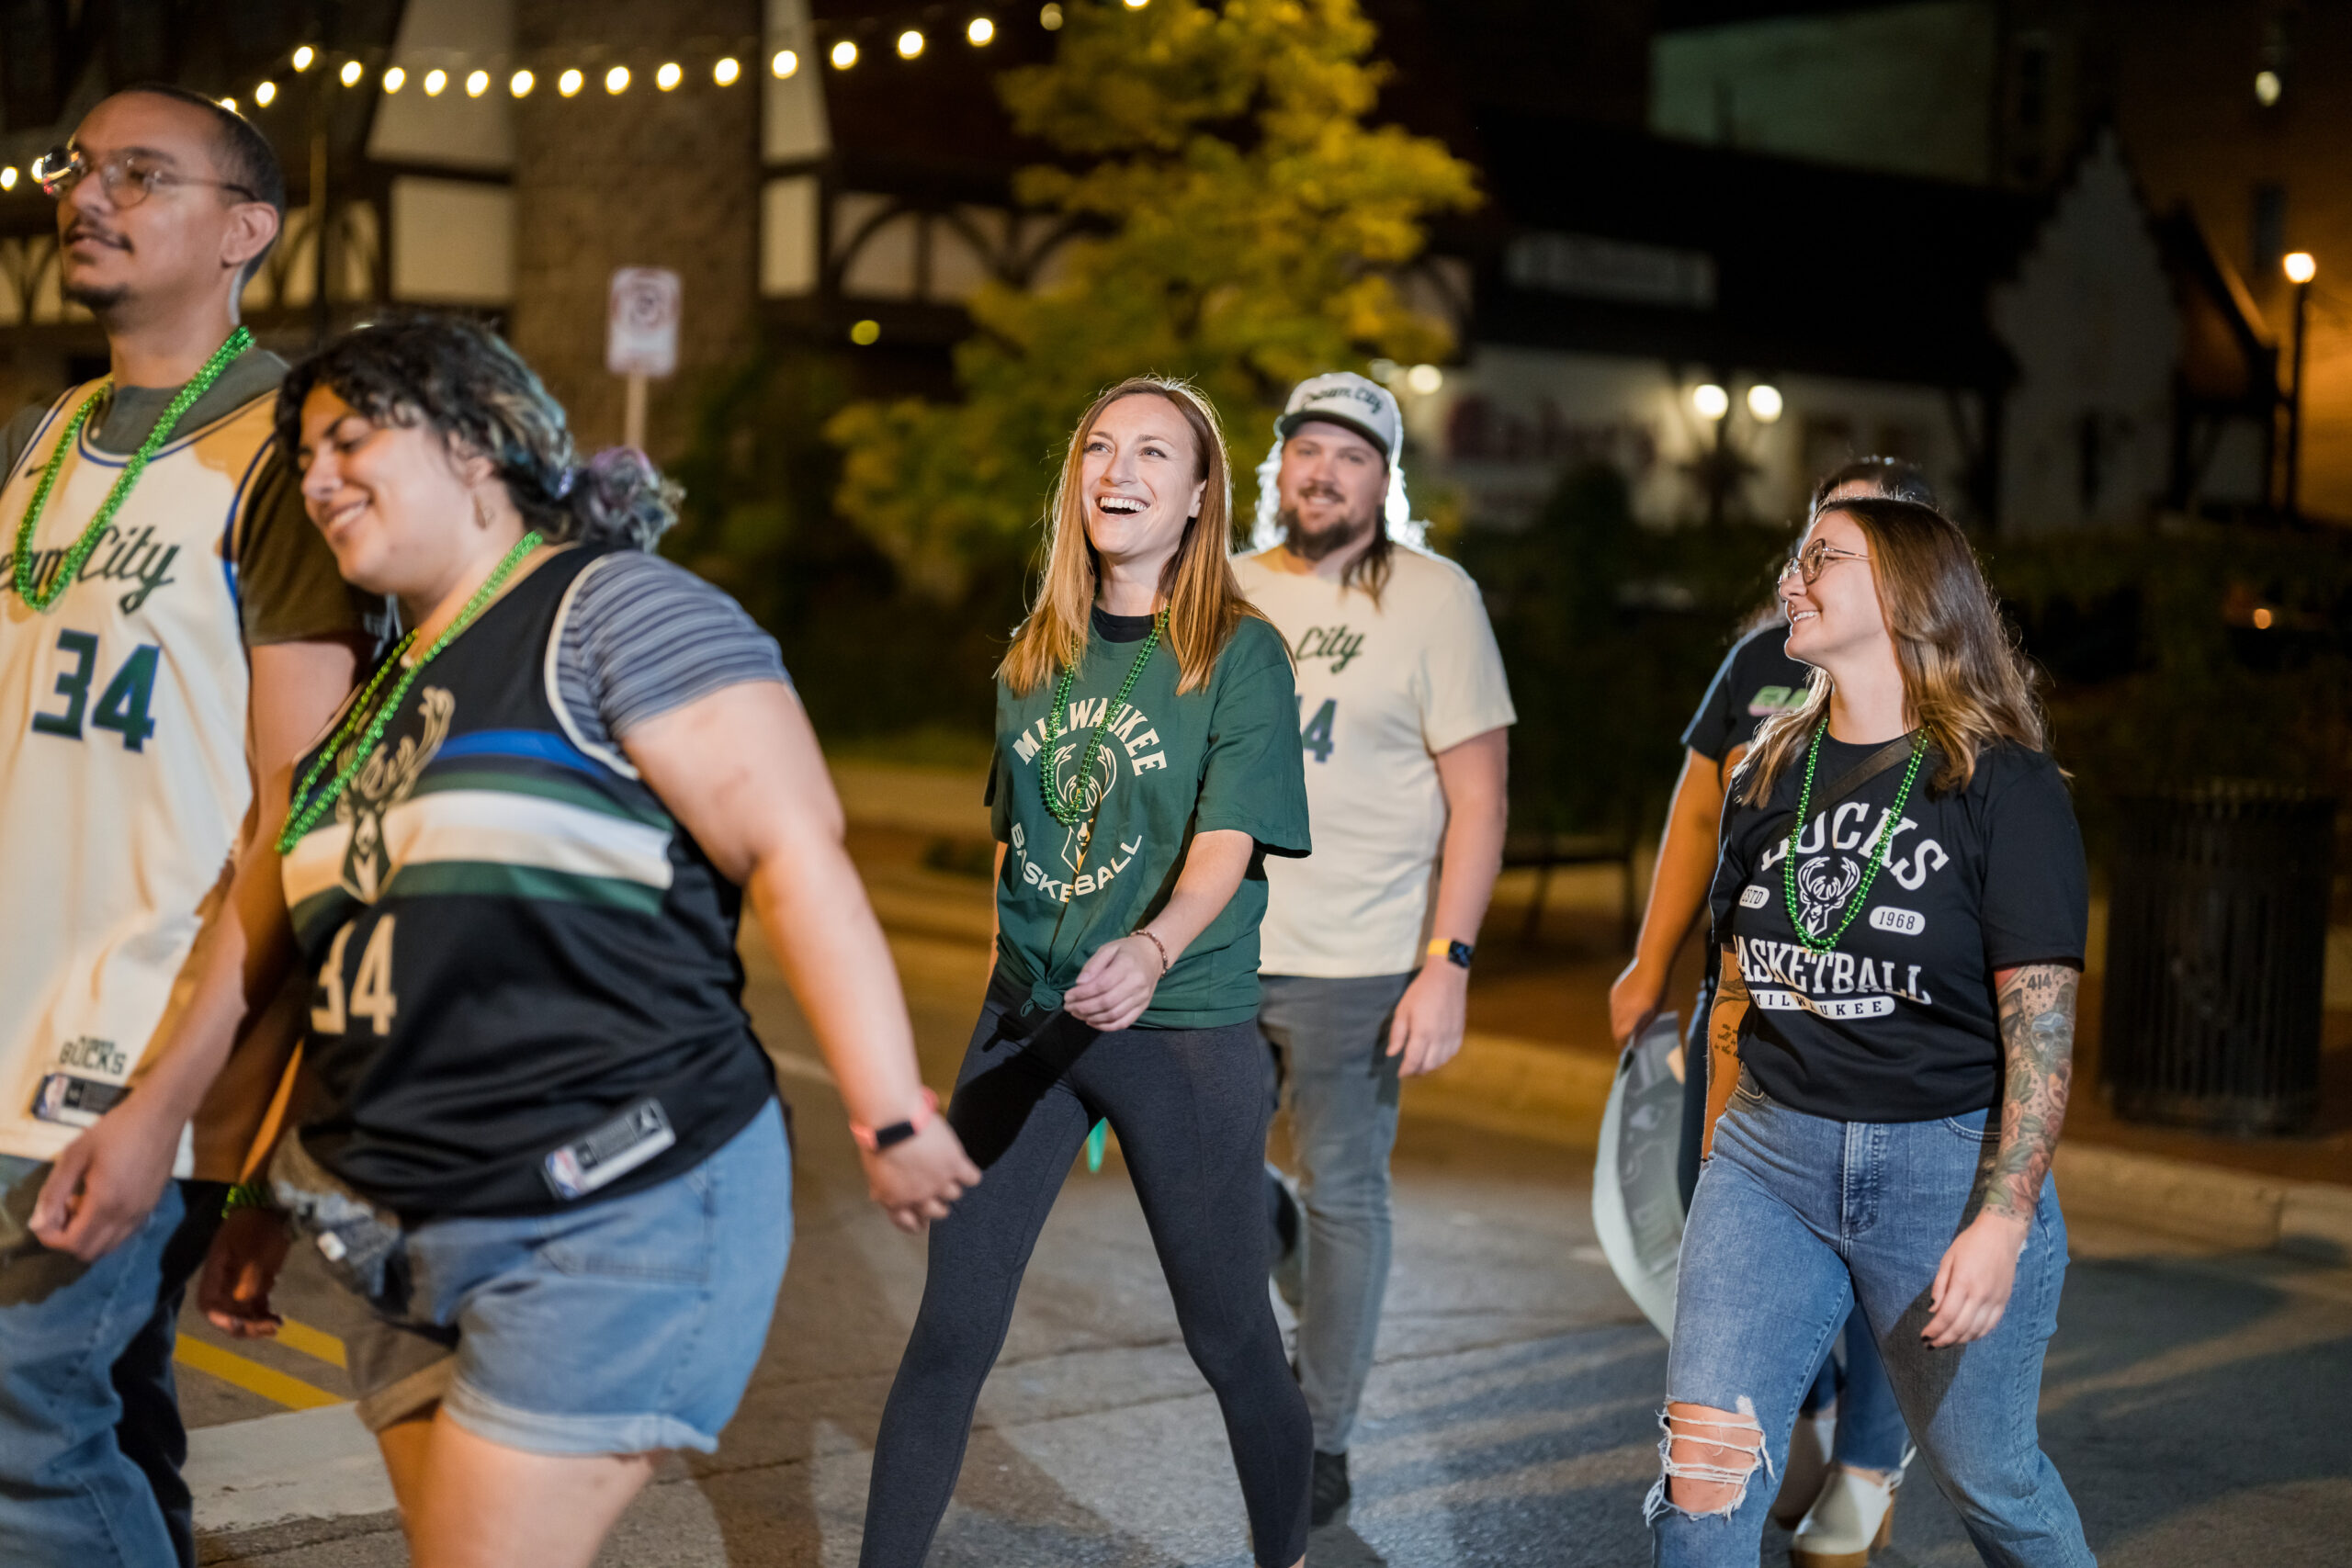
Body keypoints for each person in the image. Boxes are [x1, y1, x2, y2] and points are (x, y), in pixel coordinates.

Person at [105, 313, 980, 1568]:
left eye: (351, 439)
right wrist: (261, 1197)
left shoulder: (611, 608)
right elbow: (340, 974)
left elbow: (795, 850)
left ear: (474, 444)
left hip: (609, 1210)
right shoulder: (373, 708)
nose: (317, 478)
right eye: (303, 458)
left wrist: (888, 1110)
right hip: (397, 1242)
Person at [0, 86, 379, 1568]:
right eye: (79, 168)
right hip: (15, 1021)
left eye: (143, 174)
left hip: (142, 1040)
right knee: (110, 1414)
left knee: (29, 1427)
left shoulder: (287, 454)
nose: (88, 195)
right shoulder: (43, 437)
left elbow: (302, 807)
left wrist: (187, 1100)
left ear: (244, 231)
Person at [859, 377, 1315, 1568]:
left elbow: (1224, 845)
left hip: (1179, 1027)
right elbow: (1016, 840)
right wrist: (1013, 976)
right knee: (950, 1332)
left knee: (1229, 1341)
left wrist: (1150, 946)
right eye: (1100, 448)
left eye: (1155, 452)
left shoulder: (1238, 655)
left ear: (1200, 495)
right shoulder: (1035, 652)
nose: (1120, 470)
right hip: (1026, 1025)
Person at [1649, 496, 2095, 1568]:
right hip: (1767, 1162)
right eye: (1795, 561)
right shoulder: (1765, 770)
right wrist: (1715, 1161)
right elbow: (1734, 994)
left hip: (1942, 1170)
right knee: (1702, 1477)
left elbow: (2040, 1034)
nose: (1789, 582)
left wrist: (2002, 1220)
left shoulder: (2001, 782)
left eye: (1822, 560)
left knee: (1993, 1483)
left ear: (1905, 593)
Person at [1611, 457, 1934, 1562]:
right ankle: (1792, 1416)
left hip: (1881, 1028)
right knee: (1728, 1219)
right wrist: (1649, 964)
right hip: (1746, 1006)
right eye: (1820, 533)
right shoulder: (1760, 661)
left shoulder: (1953, 683)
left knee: (1881, 1249)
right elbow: (1697, 817)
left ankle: (1868, 1463)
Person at [1231, 372, 1513, 1527]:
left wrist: (1447, 960)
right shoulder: (1229, 586)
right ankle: (1307, 1269)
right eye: (1307, 450)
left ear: (1384, 481)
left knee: (1345, 1188)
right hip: (1216, 944)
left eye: (1352, 456)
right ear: (1279, 467)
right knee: (1198, 1171)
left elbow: (1480, 799)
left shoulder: (1437, 600)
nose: (1324, 473)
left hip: (1361, 959)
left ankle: (1322, 1435)